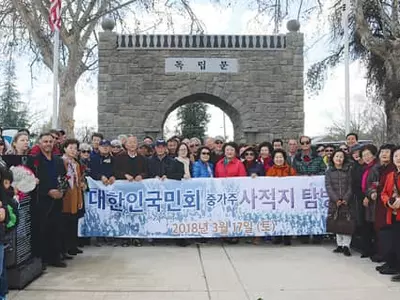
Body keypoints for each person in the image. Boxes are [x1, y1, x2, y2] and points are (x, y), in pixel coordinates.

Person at [32, 132, 67, 268]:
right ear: (40, 143)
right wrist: (47, 191)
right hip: (42, 200)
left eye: (50, 142)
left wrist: (62, 192)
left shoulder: (58, 160)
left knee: (56, 229)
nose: (48, 144)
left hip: (57, 199)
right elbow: (33, 180)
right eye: (45, 141)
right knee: (42, 229)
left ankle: (55, 258)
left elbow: (63, 178)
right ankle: (42, 259)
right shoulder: (34, 160)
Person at [113, 136, 148, 247]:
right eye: (130, 143)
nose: (132, 144)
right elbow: (115, 171)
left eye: (134, 142)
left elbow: (147, 171)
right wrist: (124, 175)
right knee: (125, 214)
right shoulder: (119, 157)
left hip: (138, 191)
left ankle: (136, 237)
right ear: (126, 145)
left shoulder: (142, 158)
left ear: (137, 144)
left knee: (137, 214)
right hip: (124, 191)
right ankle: (125, 237)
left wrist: (141, 176)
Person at [293, 135, 326, 244]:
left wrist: (314, 176)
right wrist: (301, 177)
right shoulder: (297, 158)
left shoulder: (318, 157)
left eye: (307, 142)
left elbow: (324, 170)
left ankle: (318, 235)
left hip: (316, 190)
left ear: (310, 143)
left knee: (316, 211)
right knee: (303, 212)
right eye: (303, 143)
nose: (305, 145)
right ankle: (304, 235)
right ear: (300, 145)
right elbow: (293, 172)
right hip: (302, 190)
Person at [366, 144, 396, 263]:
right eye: (382, 152)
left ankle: (390, 258)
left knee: (390, 231)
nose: (384, 154)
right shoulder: (376, 168)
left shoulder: (394, 168)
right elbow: (369, 184)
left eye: (387, 152)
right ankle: (382, 254)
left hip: (390, 203)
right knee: (379, 229)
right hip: (378, 203)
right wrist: (371, 192)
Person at [215, 142, 246, 244]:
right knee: (224, 214)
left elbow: (242, 179)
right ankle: (224, 234)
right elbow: (216, 178)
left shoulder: (239, 164)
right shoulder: (219, 164)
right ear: (224, 151)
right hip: (222, 194)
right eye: (227, 150)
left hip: (234, 194)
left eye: (232, 150)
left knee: (234, 215)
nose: (229, 152)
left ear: (235, 152)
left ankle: (235, 234)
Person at [325, 149, 353, 256]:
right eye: (337, 156)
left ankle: (346, 246)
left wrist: (346, 198)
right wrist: (336, 199)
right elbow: (328, 186)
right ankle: (339, 245)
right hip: (334, 201)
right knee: (337, 223)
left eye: (341, 157)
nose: (339, 159)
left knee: (346, 223)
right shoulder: (329, 171)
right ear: (333, 158)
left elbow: (351, 186)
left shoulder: (348, 170)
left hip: (347, 202)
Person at [267, 149, 296, 245]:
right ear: (273, 159)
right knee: (276, 217)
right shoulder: (270, 170)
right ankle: (277, 236)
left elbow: (296, 183)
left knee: (287, 217)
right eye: (276, 157)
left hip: (287, 198)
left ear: (284, 158)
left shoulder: (290, 170)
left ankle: (287, 237)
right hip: (275, 198)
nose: (278, 159)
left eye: (280, 157)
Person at [61, 139, 84, 259]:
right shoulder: (61, 162)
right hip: (65, 195)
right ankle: (65, 248)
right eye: (71, 148)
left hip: (75, 193)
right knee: (65, 222)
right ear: (65, 148)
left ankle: (72, 245)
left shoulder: (76, 164)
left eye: (75, 148)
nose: (73, 151)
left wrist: (80, 198)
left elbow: (78, 182)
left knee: (73, 221)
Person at [380, 146, 400, 282]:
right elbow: (384, 193)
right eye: (396, 156)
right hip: (393, 213)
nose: (398, 158)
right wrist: (388, 202)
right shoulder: (391, 175)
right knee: (396, 241)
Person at [360, 144, 378, 259]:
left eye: (368, 154)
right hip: (368, 199)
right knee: (369, 225)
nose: (366, 157)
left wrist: (368, 195)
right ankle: (370, 250)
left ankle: (376, 251)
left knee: (374, 226)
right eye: (364, 155)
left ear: (373, 155)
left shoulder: (376, 167)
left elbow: (375, 184)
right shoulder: (367, 168)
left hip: (374, 199)